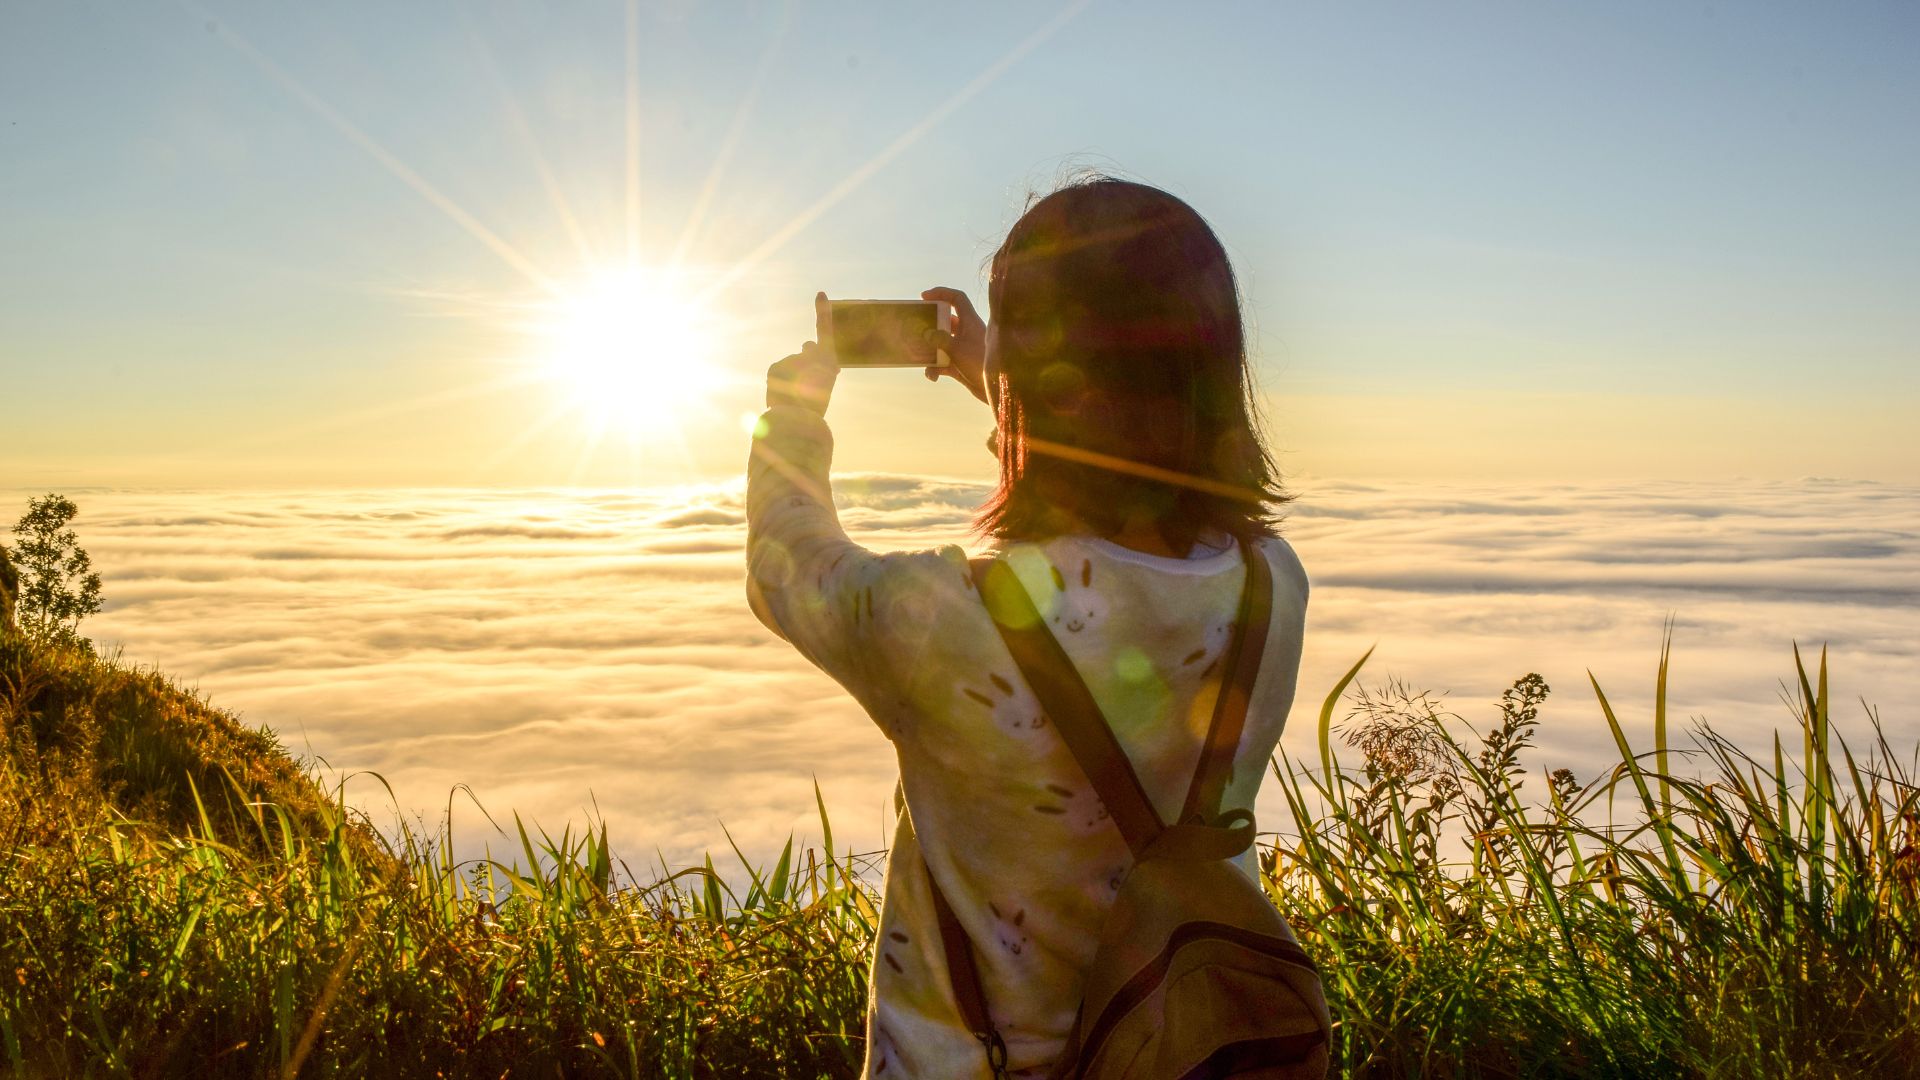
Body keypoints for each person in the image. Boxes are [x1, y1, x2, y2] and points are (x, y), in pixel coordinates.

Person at [746, 176, 1309, 1078]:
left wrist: (792, 415)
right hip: (1179, 1047)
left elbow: (791, 565)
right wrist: (1001, 383)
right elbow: (1124, 502)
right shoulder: (1270, 585)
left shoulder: (945, 620)